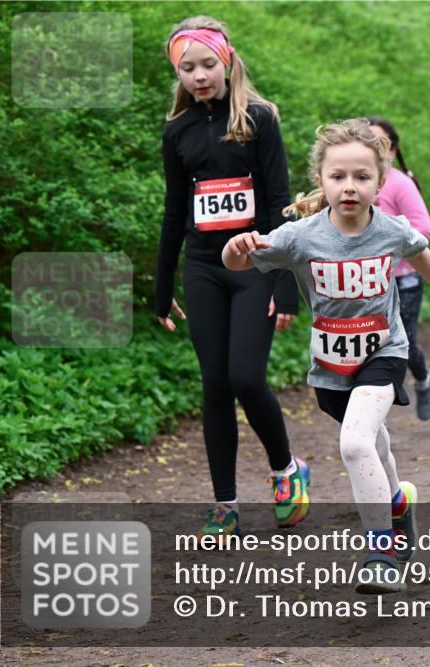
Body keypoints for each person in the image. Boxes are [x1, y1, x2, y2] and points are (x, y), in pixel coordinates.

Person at [223, 119, 430, 592]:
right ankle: (399, 502)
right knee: (374, 444)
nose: (349, 186)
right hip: (330, 369)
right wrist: (233, 247)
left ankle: (380, 552)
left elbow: (418, 249)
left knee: (356, 443)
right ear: (320, 179)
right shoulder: (300, 236)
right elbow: (240, 261)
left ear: (380, 182)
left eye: (362, 177)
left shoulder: (389, 228)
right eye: (338, 176)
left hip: (383, 354)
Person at [154, 16, 306, 539]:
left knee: (245, 376)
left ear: (228, 60)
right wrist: (160, 286)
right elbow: (176, 212)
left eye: (207, 65)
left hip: (256, 263)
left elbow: (280, 202)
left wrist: (286, 280)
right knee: (214, 384)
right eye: (186, 68)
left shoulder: (259, 119)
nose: (199, 76)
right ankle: (225, 504)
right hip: (202, 268)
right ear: (178, 73)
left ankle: (286, 470)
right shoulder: (177, 131)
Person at [367, 117, 430, 421]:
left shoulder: (400, 184)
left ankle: (423, 380)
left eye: (379, 142)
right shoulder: (352, 180)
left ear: (392, 151)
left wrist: (388, 241)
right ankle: (373, 413)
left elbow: (425, 230)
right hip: (366, 280)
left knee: (404, 344)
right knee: (370, 346)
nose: (371, 147)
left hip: (403, 279)